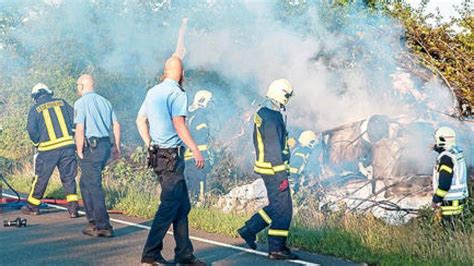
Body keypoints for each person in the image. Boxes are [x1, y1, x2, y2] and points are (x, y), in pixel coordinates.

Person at [136, 17, 205, 265]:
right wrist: (196, 149)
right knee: (168, 206)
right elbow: (179, 124)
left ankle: (185, 255)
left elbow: (139, 120)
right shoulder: (177, 93)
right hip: (171, 157)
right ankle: (150, 254)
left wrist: (149, 143)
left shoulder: (153, 91)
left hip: (159, 154)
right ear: (182, 74)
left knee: (181, 206)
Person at [238, 79, 298, 260]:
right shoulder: (272, 117)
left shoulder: (264, 113)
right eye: (287, 95)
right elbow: (273, 149)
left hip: (268, 169)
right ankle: (276, 248)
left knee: (277, 206)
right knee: (284, 209)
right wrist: (282, 176)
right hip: (274, 171)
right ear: (282, 94)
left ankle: (249, 229)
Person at [22, 83, 79, 218]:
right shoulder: (62, 103)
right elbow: (76, 120)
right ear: (49, 92)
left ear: (35, 96)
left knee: (41, 178)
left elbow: (31, 129)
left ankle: (32, 207)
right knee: (69, 178)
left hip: (47, 149)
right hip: (67, 147)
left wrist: (37, 142)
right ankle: (73, 210)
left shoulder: (35, 109)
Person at [74, 74, 121, 237]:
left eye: (77, 86)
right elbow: (116, 125)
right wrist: (116, 146)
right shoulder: (105, 101)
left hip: (91, 148)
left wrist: (79, 150)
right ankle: (93, 221)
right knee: (85, 183)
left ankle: (103, 225)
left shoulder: (80, 103)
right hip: (104, 146)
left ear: (81, 86)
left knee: (93, 185)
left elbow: (80, 128)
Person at [431, 127, 468, 228]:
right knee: (458, 231)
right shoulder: (456, 153)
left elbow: (444, 183)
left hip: (449, 203)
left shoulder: (446, 158)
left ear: (442, 139)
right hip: (459, 200)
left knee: (448, 234)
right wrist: (438, 149)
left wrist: (436, 199)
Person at [184, 90, 212, 204]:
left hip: (188, 155)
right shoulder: (200, 117)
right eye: (209, 102)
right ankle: (200, 201)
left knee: (190, 182)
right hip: (197, 155)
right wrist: (205, 155)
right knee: (200, 178)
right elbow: (200, 139)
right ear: (203, 101)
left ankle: (192, 201)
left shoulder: (192, 114)